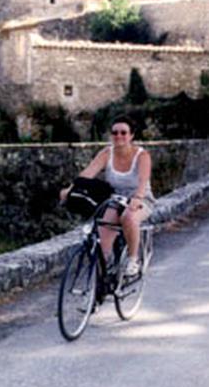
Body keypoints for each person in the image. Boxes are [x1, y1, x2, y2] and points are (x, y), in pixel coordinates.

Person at [60, 115, 155, 276]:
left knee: (128, 218)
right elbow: (87, 174)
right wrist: (70, 189)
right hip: (115, 200)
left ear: (131, 136)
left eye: (123, 133)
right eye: (115, 132)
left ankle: (133, 260)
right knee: (103, 231)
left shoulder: (142, 155)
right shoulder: (106, 153)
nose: (119, 136)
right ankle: (103, 274)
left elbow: (143, 181)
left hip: (140, 199)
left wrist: (137, 198)